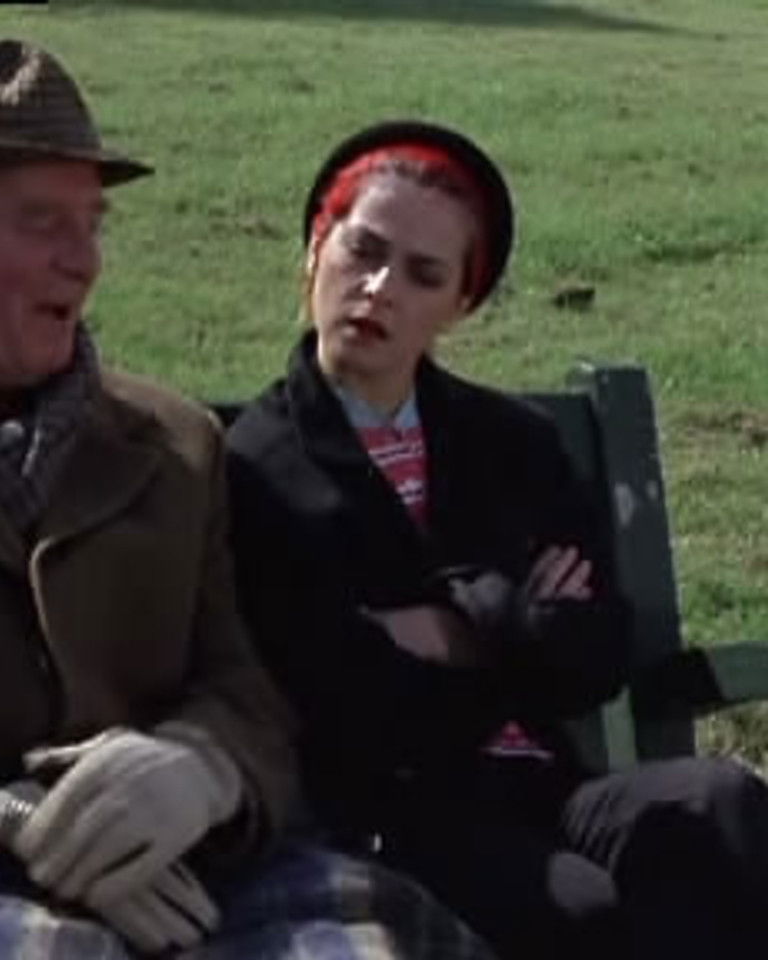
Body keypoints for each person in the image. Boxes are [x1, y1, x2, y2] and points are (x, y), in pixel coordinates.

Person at [0, 42, 493, 959]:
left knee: (377, 938)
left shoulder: (175, 442)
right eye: (42, 223)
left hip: (190, 873)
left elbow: (246, 686)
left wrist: (201, 770)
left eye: (92, 223)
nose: (83, 261)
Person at [225, 119, 768, 960]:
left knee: (716, 805)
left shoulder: (512, 443)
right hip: (393, 815)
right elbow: (343, 696)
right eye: (362, 250)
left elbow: (597, 652)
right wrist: (517, 620)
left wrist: (452, 632)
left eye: (423, 274)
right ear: (314, 250)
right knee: (583, 907)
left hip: (546, 782)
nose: (380, 288)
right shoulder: (253, 465)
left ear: (459, 305)